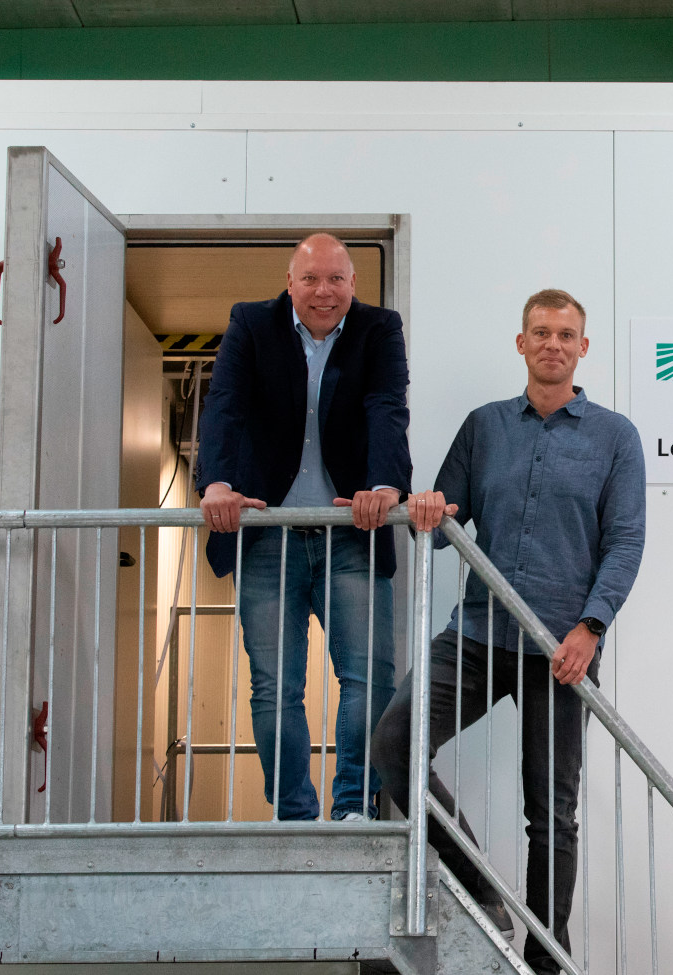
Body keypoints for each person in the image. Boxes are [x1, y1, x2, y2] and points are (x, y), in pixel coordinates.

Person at [372, 289, 646, 973]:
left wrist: (591, 627)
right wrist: (427, 507)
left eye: (566, 334)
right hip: (477, 633)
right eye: (541, 332)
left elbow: (626, 540)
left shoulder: (616, 437)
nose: (553, 343)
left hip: (562, 651)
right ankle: (482, 889)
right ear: (520, 344)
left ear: (583, 348)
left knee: (551, 815)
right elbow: (440, 527)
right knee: (394, 744)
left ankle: (546, 957)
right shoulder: (484, 426)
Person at [196, 233, 411, 822]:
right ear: (289, 282)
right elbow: (225, 405)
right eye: (311, 279)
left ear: (353, 284)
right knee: (275, 686)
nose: (324, 291)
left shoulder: (378, 329)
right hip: (269, 535)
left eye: (336, 279)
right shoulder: (251, 324)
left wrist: (388, 487)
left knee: (369, 681)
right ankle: (293, 812)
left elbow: (387, 406)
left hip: (351, 532)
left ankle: (352, 809)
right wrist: (214, 483)